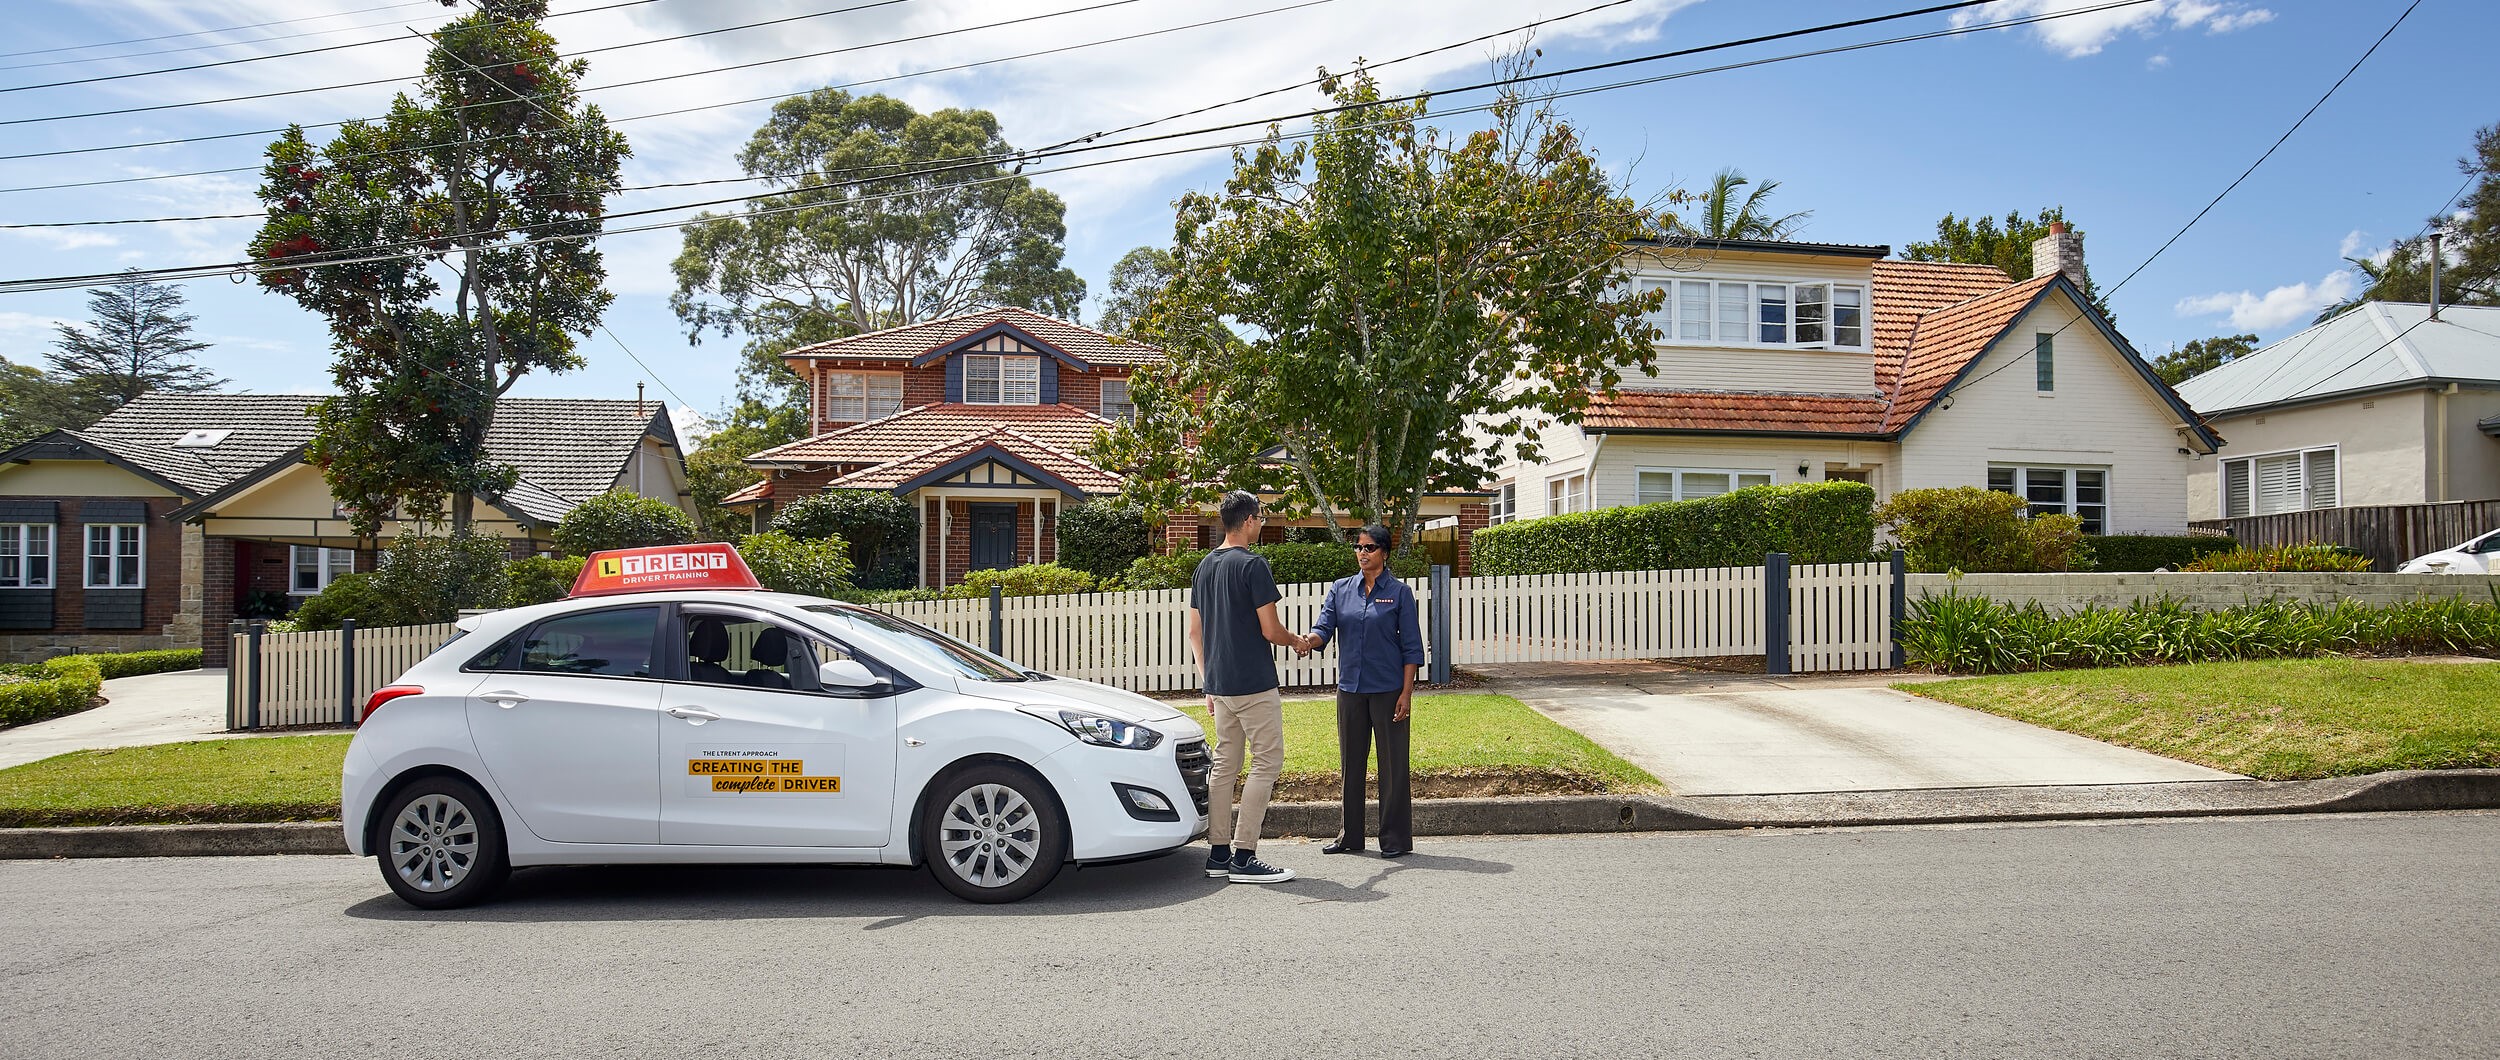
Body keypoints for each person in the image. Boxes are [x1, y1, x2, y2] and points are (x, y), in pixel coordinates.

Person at [1186, 490, 1303, 884]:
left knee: (1224, 766)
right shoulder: (1254, 565)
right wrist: (1297, 641)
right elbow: (1270, 630)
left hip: (1220, 685)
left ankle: (1218, 855)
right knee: (1267, 762)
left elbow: (1194, 632)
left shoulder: (1204, 566)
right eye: (1262, 518)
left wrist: (1208, 682)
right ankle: (1245, 856)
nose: (1262, 524)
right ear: (1250, 520)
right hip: (1253, 683)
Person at [1301, 524, 1425, 858]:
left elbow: (1411, 648)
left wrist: (1406, 693)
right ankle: (1350, 837)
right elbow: (1323, 628)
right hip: (1351, 691)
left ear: (1384, 552)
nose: (1362, 553)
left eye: (1369, 548)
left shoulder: (1399, 593)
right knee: (1350, 765)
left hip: (1388, 692)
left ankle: (1395, 840)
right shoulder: (1341, 589)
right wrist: (1306, 641)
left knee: (1393, 766)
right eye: (1358, 547)